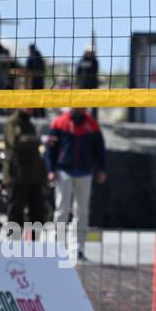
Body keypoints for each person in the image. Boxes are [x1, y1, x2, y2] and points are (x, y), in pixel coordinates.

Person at [45, 107, 106, 259]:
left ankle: (78, 247)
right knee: (62, 209)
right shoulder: (60, 122)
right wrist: (51, 169)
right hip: (64, 170)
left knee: (82, 212)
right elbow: (50, 149)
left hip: (85, 172)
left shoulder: (91, 124)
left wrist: (102, 169)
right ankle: (58, 245)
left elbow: (100, 149)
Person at [2, 109, 48, 234]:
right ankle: (13, 244)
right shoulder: (13, 122)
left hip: (33, 176)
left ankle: (34, 244)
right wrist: (37, 140)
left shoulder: (29, 123)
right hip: (18, 174)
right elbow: (16, 142)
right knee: (16, 211)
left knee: (37, 211)